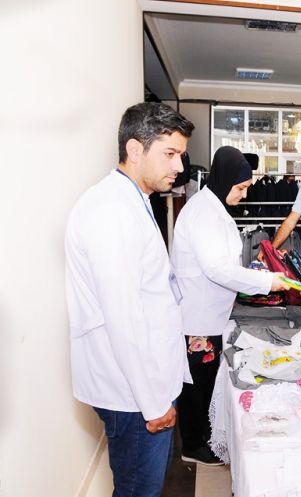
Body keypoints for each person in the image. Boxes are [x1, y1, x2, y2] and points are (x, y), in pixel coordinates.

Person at [65, 102, 194, 497]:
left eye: (181, 155)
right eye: (170, 154)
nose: (179, 166)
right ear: (135, 149)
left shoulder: (132, 199)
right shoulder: (112, 211)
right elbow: (122, 318)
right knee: (139, 491)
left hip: (146, 385)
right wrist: (153, 403)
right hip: (135, 396)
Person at [170, 146, 288, 465]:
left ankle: (199, 437)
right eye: (241, 187)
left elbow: (223, 262)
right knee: (197, 383)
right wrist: (267, 282)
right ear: (225, 180)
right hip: (197, 315)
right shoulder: (204, 213)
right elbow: (217, 269)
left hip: (208, 312)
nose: (245, 194)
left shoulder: (213, 207)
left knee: (204, 379)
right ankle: (193, 445)